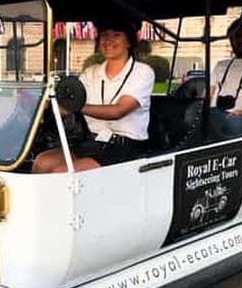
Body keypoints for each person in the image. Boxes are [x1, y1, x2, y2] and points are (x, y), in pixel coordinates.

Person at [32, 19, 155, 173]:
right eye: (104, 35)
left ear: (129, 42)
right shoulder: (91, 72)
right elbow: (68, 101)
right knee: (42, 162)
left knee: (60, 172)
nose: (108, 40)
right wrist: (47, 103)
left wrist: (76, 106)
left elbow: (119, 111)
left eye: (116, 35)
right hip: (93, 141)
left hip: (125, 146)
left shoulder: (143, 72)